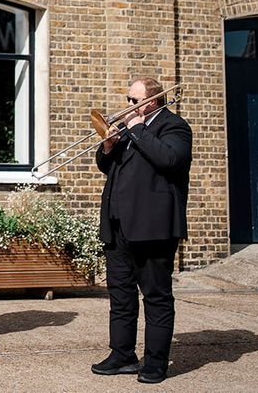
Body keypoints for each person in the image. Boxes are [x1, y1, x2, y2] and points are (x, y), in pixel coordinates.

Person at [92, 77, 192, 384]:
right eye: (128, 100)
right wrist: (108, 146)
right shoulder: (129, 130)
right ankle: (122, 355)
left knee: (156, 297)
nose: (127, 107)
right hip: (118, 225)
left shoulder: (174, 127)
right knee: (120, 296)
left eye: (133, 101)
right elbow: (107, 165)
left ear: (151, 101)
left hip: (154, 229)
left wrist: (137, 128)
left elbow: (170, 159)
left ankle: (155, 363)